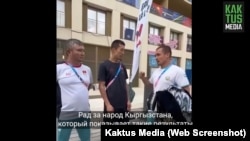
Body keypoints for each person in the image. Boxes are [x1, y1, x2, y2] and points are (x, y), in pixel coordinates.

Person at [139, 44, 191, 121]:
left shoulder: (177, 71)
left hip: (170, 112)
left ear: (167, 55)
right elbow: (149, 85)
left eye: (158, 55)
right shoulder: (156, 72)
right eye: (155, 55)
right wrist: (143, 78)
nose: (156, 57)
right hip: (155, 109)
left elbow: (186, 91)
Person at [57, 39, 93, 141]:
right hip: (66, 113)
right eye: (79, 50)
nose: (83, 53)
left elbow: (88, 86)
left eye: (83, 51)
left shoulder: (87, 69)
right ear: (69, 52)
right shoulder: (59, 69)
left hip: (84, 113)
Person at [98, 39, 131, 123]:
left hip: (123, 105)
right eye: (121, 50)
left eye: (124, 50)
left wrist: (128, 100)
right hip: (111, 105)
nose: (123, 52)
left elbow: (125, 84)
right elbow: (101, 86)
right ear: (113, 50)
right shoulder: (104, 65)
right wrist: (107, 104)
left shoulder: (122, 66)